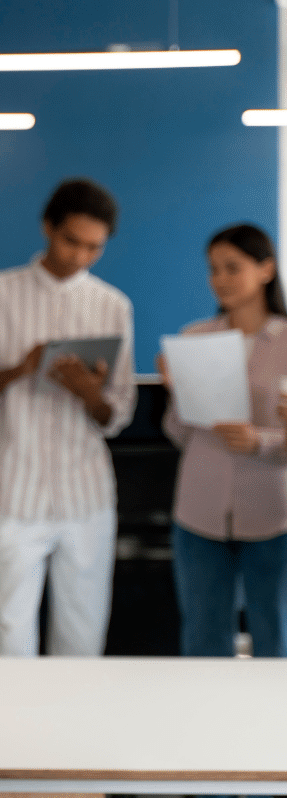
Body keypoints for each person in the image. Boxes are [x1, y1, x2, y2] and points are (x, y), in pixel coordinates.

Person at [0, 178, 136, 657]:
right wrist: (20, 369)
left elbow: (119, 413)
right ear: (48, 227)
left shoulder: (113, 305)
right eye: (71, 241)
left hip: (86, 494)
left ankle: (78, 731)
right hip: (14, 493)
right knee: (10, 639)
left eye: (94, 247)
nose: (80, 257)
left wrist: (91, 393)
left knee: (83, 637)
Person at [161, 223, 287, 657]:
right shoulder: (195, 337)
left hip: (274, 515)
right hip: (199, 513)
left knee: (277, 636)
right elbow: (179, 434)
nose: (221, 279)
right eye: (214, 269)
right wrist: (177, 394)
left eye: (233, 267)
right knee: (202, 639)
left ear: (267, 268)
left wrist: (261, 441)